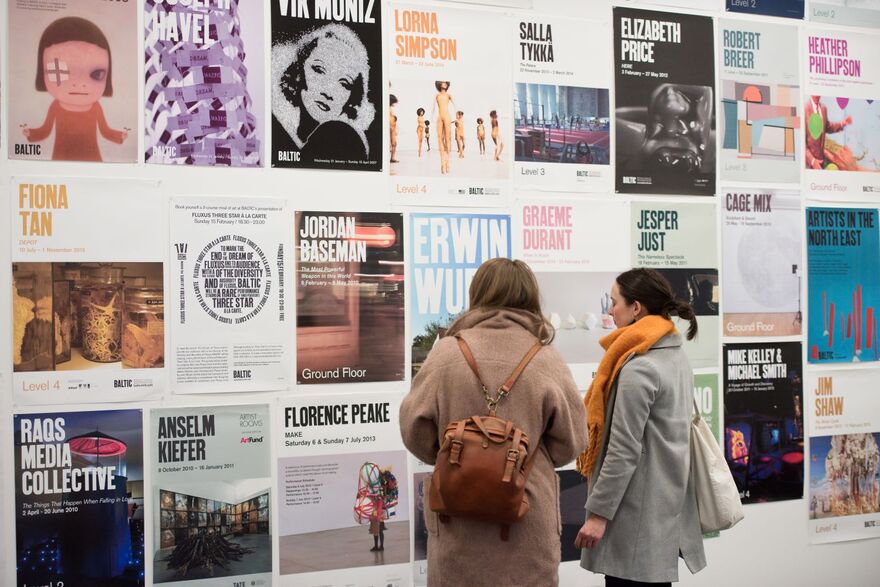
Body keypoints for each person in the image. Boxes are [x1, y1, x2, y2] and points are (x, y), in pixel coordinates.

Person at [400, 258, 588, 586]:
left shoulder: (446, 353)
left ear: (478, 294)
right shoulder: (545, 358)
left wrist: (460, 456)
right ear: (529, 298)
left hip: (457, 523)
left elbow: (414, 430)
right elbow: (571, 442)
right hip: (527, 526)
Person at [575, 268, 706, 586]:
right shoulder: (675, 356)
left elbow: (623, 448)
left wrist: (597, 515)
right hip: (664, 510)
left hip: (633, 517)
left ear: (637, 308)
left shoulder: (639, 368)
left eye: (615, 301)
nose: (609, 309)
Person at [23, 17, 128, 161]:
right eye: (60, 71)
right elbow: (45, 131)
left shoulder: (95, 108)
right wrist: (31, 134)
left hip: (92, 158)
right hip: (62, 157)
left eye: (96, 74)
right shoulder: (56, 107)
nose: (79, 83)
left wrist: (119, 136)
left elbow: (105, 131)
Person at [272, 24, 375, 160]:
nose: (329, 91)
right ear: (298, 71)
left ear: (352, 97)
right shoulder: (277, 130)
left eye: (344, 83)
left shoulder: (348, 140)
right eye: (319, 70)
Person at [805, 95, 852, 170]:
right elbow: (802, 144)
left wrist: (841, 123)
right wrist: (812, 161)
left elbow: (827, 126)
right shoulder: (804, 109)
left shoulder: (823, 108)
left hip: (821, 161)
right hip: (808, 164)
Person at [432, 81, 454, 173]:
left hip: (447, 116)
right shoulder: (437, 96)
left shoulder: (449, 95)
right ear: (439, 84)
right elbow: (433, 108)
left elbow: (455, 105)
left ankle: (447, 162)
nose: (444, 84)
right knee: (440, 139)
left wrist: (455, 117)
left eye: (445, 82)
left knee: (448, 139)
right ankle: (442, 163)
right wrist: (432, 117)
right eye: (442, 82)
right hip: (439, 117)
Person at [389, 95, 399, 163]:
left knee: (394, 143)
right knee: (392, 143)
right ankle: (392, 158)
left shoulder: (391, 108)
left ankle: (392, 158)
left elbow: (393, 118)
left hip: (393, 126)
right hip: (390, 126)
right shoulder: (388, 108)